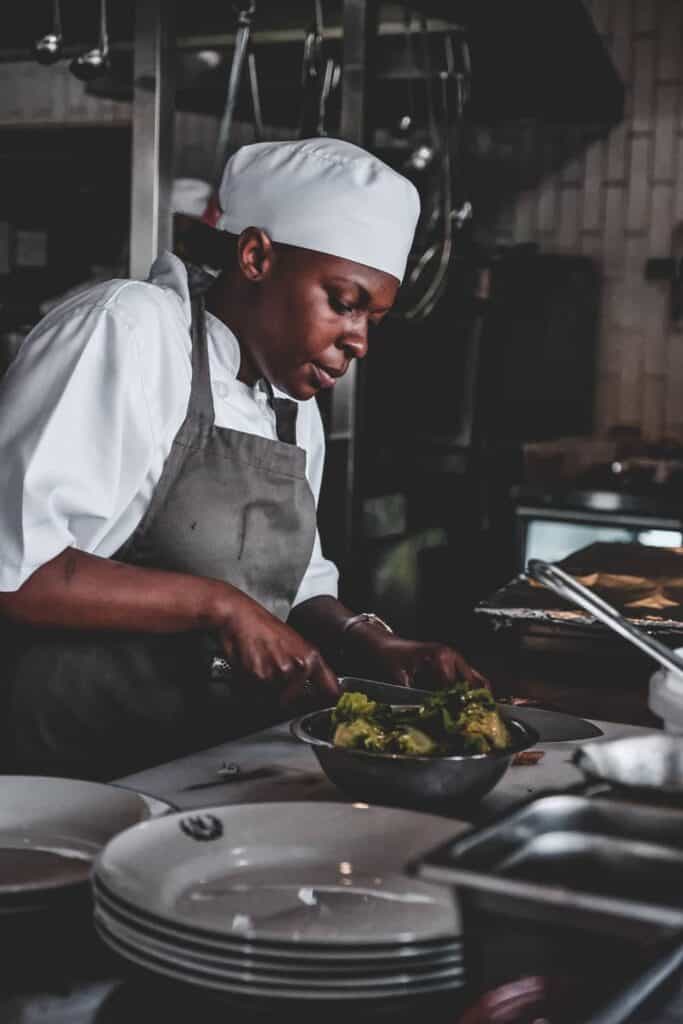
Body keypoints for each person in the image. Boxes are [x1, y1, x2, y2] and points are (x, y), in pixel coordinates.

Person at [0, 138, 487, 780]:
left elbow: (297, 580)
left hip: (203, 764)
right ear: (256, 256)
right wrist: (219, 605)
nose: (360, 340)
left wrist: (368, 637)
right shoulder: (134, 330)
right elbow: (17, 569)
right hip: (69, 769)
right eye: (343, 302)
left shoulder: (291, 405)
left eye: (374, 318)